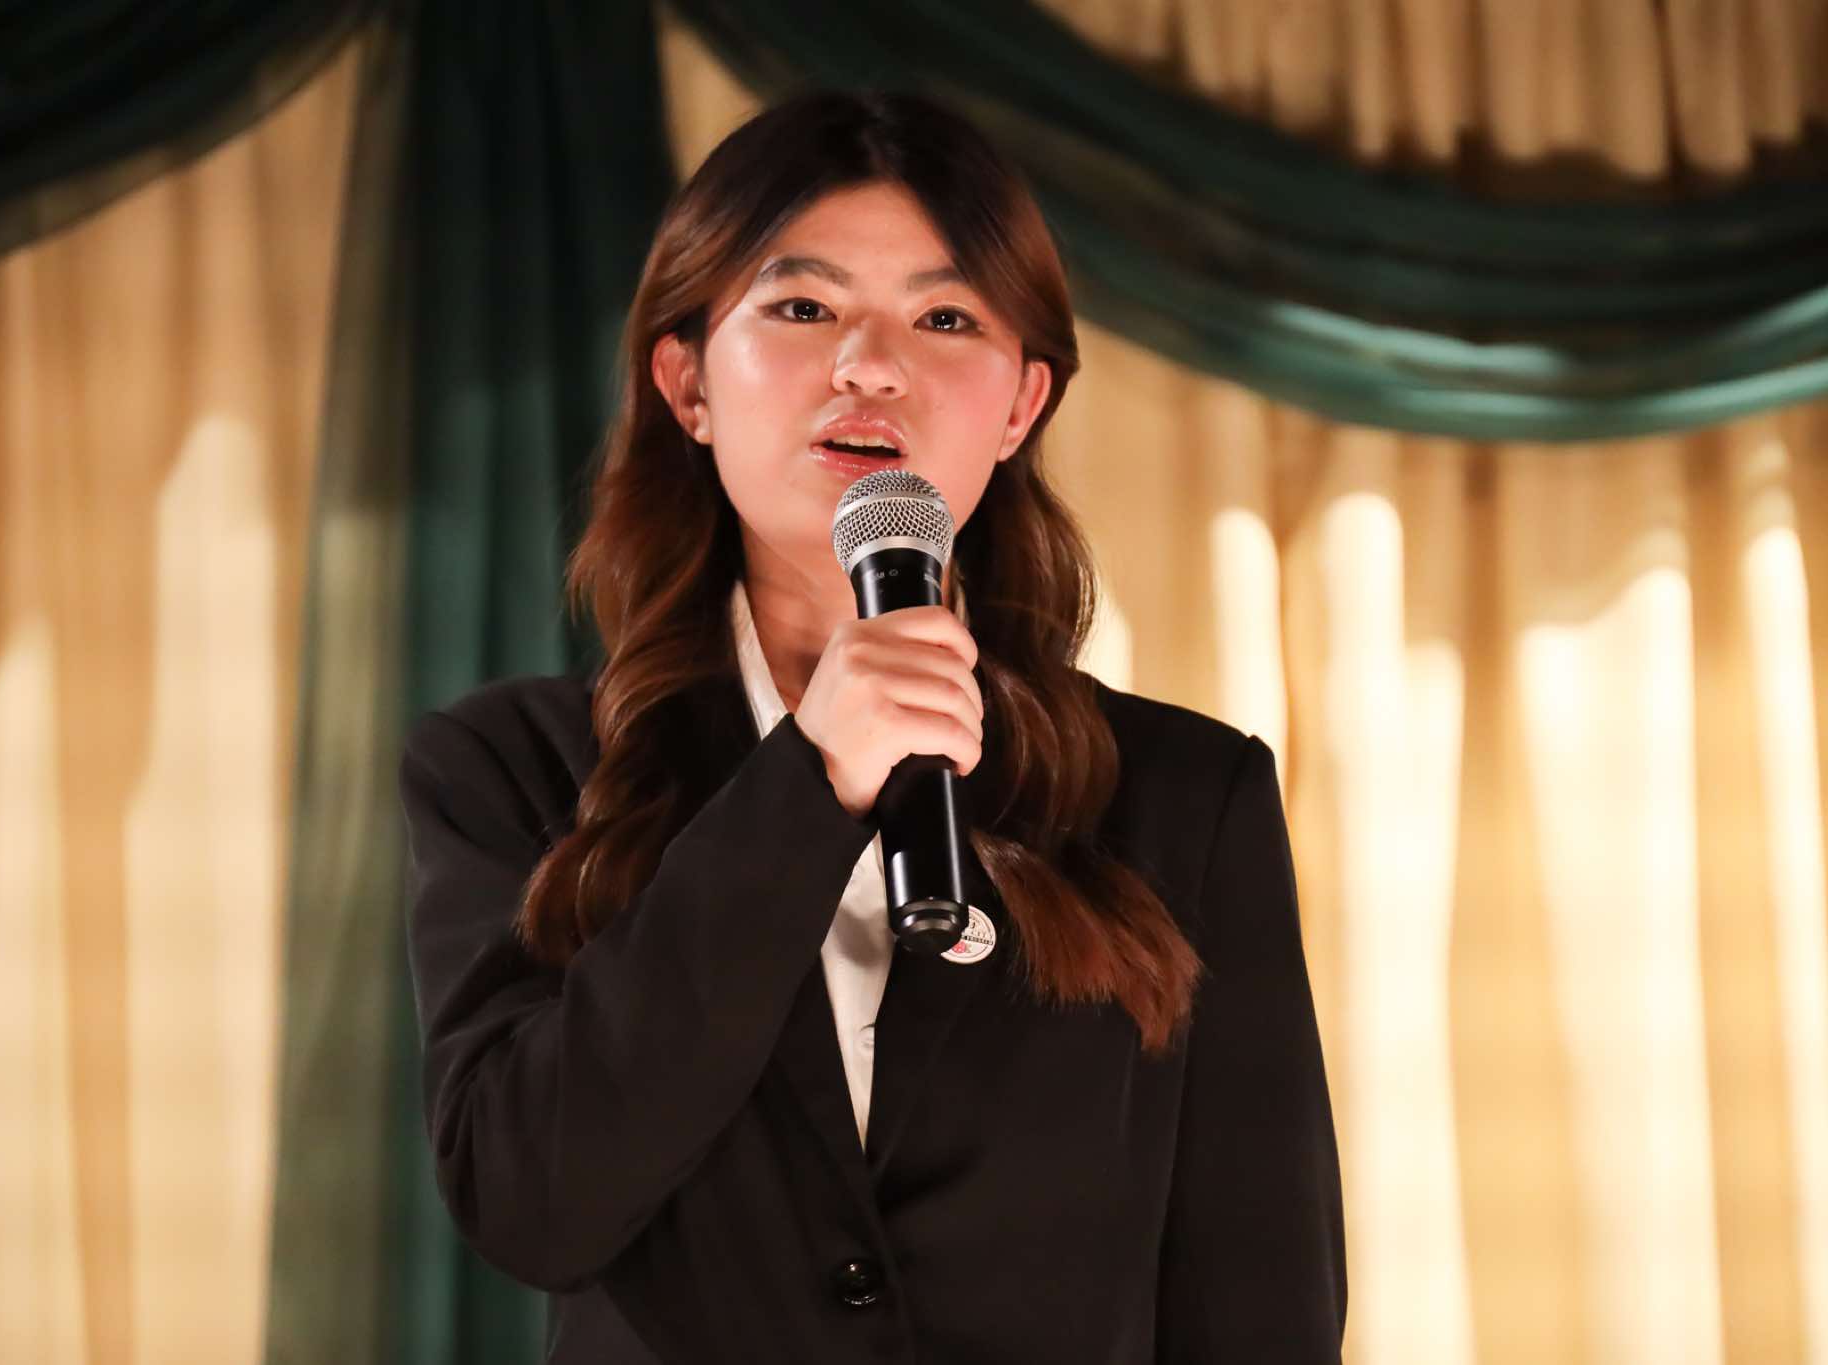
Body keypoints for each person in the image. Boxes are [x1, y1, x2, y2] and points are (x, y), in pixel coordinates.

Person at [399, 88, 1345, 1363]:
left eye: (944, 318)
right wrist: (803, 787)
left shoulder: (1186, 796)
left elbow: (1260, 1305)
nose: (870, 366)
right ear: (685, 382)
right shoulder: (509, 771)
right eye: (802, 308)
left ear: (1019, 406)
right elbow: (530, 1201)